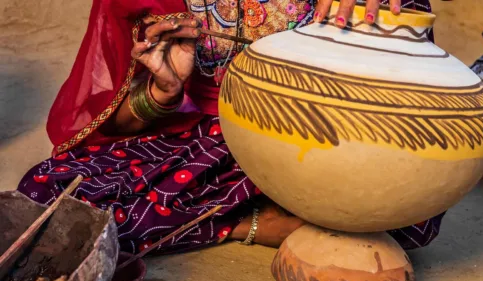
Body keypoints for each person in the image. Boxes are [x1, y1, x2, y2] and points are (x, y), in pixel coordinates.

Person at [18, 0, 445, 254]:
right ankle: (260, 224)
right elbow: (121, 122)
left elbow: (415, 93)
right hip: (211, 136)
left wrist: (378, 22)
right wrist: (164, 92)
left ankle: (265, 214)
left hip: (327, 129)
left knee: (407, 207)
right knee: (50, 196)